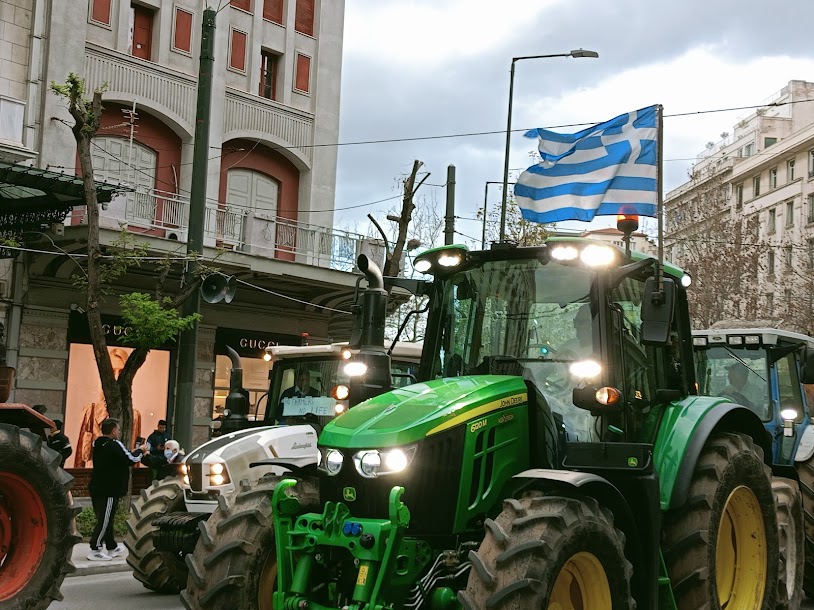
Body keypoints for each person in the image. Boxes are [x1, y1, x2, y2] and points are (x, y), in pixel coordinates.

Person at [87, 418, 148, 561]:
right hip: (109, 489)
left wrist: (130, 452)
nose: (119, 432)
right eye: (118, 430)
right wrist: (140, 451)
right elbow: (130, 460)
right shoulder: (114, 444)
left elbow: (119, 457)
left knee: (106, 518)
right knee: (105, 520)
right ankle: (95, 549)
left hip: (97, 486)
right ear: (113, 431)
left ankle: (111, 546)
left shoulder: (98, 443)